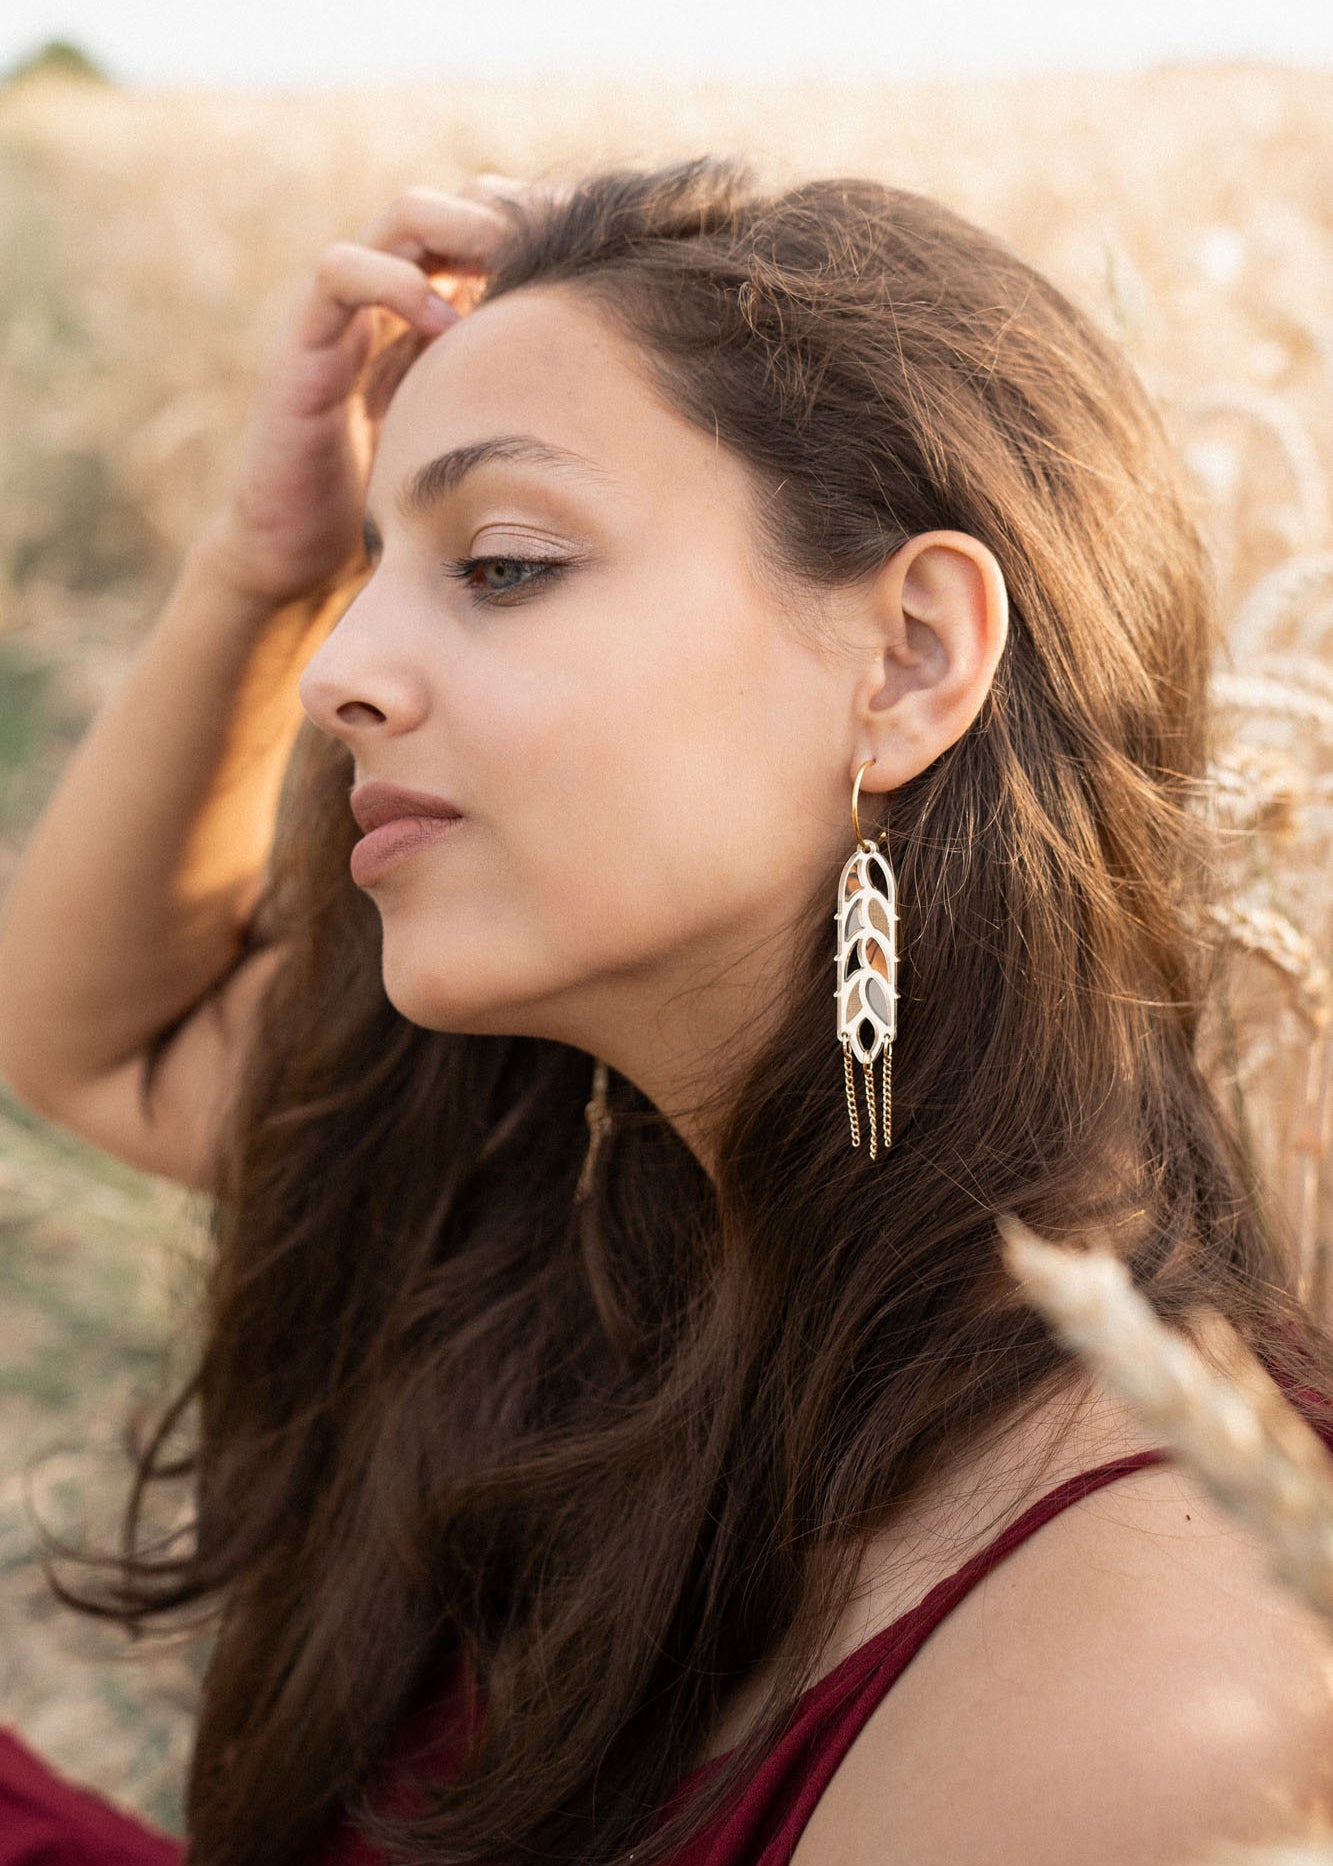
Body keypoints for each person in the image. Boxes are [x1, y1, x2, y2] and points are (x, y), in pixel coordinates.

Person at [0, 154, 1331, 1866]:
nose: (341, 672)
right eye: (360, 571)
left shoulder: (1160, 1700)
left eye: (500, 563)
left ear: (912, 655)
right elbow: (97, 1038)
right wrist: (261, 561)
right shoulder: (579, 1184)